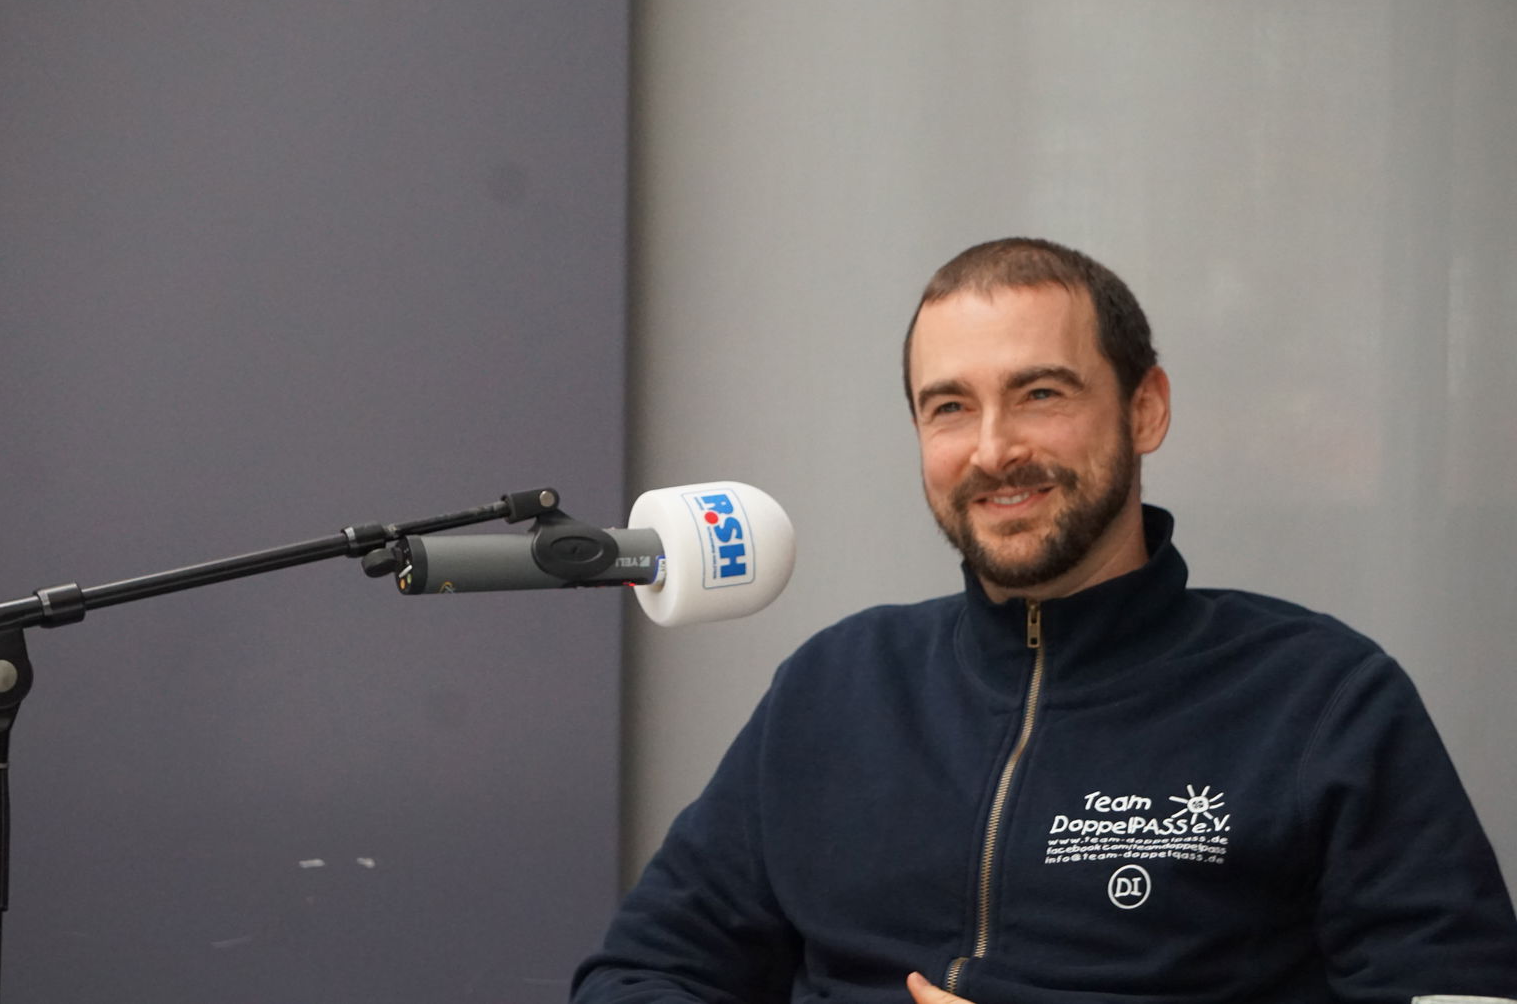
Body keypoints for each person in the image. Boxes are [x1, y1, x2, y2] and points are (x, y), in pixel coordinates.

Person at [572, 237, 1517, 1003]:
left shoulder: (1321, 697)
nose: (994, 450)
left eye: (1040, 394)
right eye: (949, 408)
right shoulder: (835, 686)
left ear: (1145, 408)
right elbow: (642, 975)